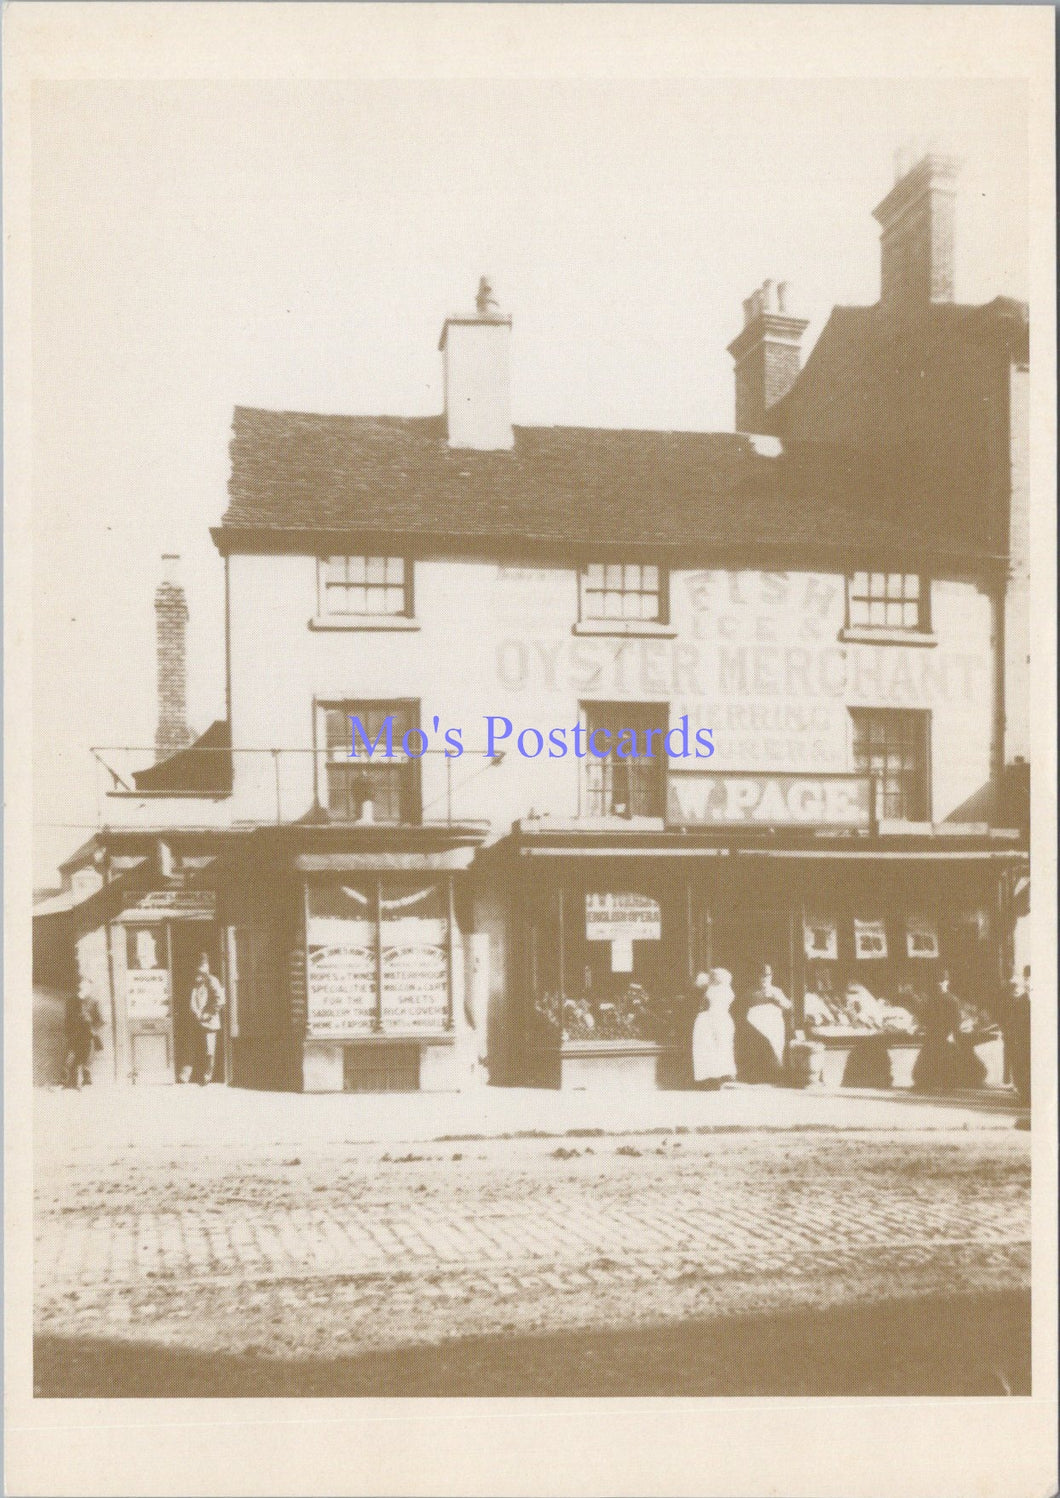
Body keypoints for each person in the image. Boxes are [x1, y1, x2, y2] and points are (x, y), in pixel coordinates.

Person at [737, 963, 792, 1083]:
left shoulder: (776, 991)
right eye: (762, 975)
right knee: (758, 1049)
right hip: (756, 1028)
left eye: (767, 975)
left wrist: (777, 999)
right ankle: (758, 1076)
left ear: (771, 976)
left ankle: (775, 1075)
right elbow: (741, 1008)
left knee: (776, 1049)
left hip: (774, 1026)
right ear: (757, 976)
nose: (765, 978)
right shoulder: (751, 992)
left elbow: (788, 1006)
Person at [911, 970, 961, 1092]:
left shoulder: (952, 1000)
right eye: (938, 981)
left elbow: (956, 1019)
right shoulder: (932, 999)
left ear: (947, 982)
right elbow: (925, 1016)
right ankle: (923, 1083)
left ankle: (948, 1084)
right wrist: (920, 1026)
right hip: (932, 1033)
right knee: (925, 1059)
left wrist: (951, 1034)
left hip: (945, 1034)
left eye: (942, 981)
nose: (939, 983)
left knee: (946, 1059)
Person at [691, 969, 737, 1090]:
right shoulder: (718, 989)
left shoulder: (718, 989)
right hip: (714, 1018)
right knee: (712, 1048)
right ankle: (714, 1078)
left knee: (716, 1048)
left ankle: (717, 1077)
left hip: (716, 1018)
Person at [189, 954, 225, 1085]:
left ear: (207, 966)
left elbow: (220, 1000)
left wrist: (208, 1014)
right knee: (197, 1048)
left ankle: (207, 1076)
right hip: (196, 1020)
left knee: (209, 1051)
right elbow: (193, 999)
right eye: (199, 967)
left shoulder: (212, 980)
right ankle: (193, 1074)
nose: (200, 970)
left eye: (203, 966)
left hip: (209, 1021)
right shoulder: (196, 982)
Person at [63, 988, 104, 1089]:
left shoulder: (93, 1002)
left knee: (87, 1060)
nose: (84, 987)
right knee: (70, 1059)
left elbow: (100, 1021)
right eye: (82, 984)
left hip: (88, 1035)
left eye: (87, 985)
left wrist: (93, 1030)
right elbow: (67, 1019)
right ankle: (66, 1083)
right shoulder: (71, 1001)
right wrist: (69, 1032)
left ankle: (86, 1083)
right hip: (75, 1034)